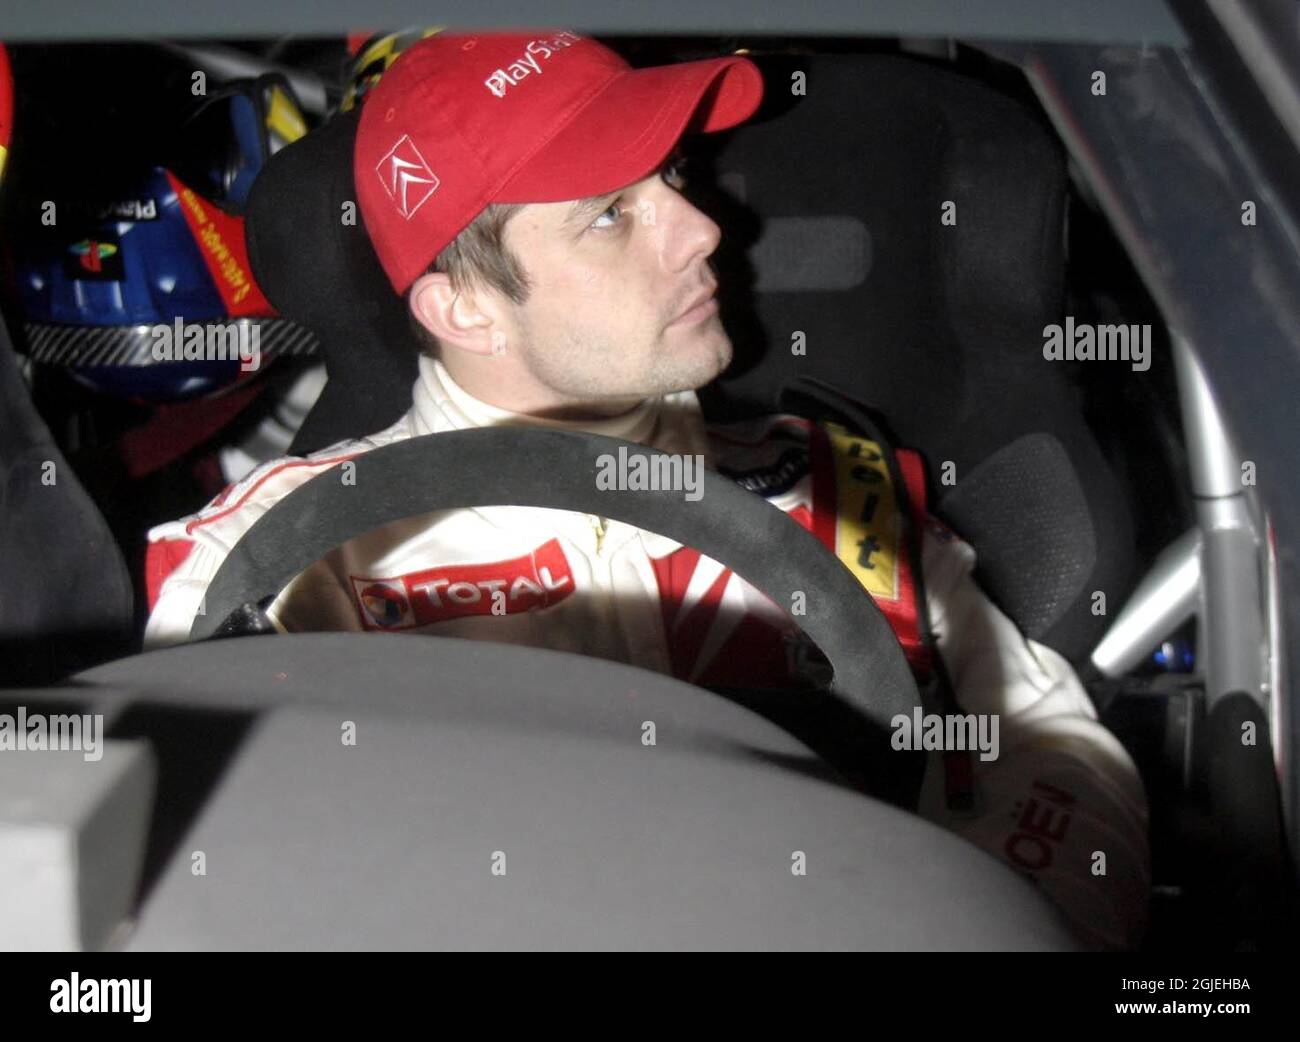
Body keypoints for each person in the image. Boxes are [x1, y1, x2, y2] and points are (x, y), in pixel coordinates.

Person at [144, 29, 1150, 949]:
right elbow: (173, 879)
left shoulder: (839, 489)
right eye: (610, 215)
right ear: (464, 308)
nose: (700, 228)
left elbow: (1048, 748)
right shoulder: (269, 569)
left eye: (669, 174)